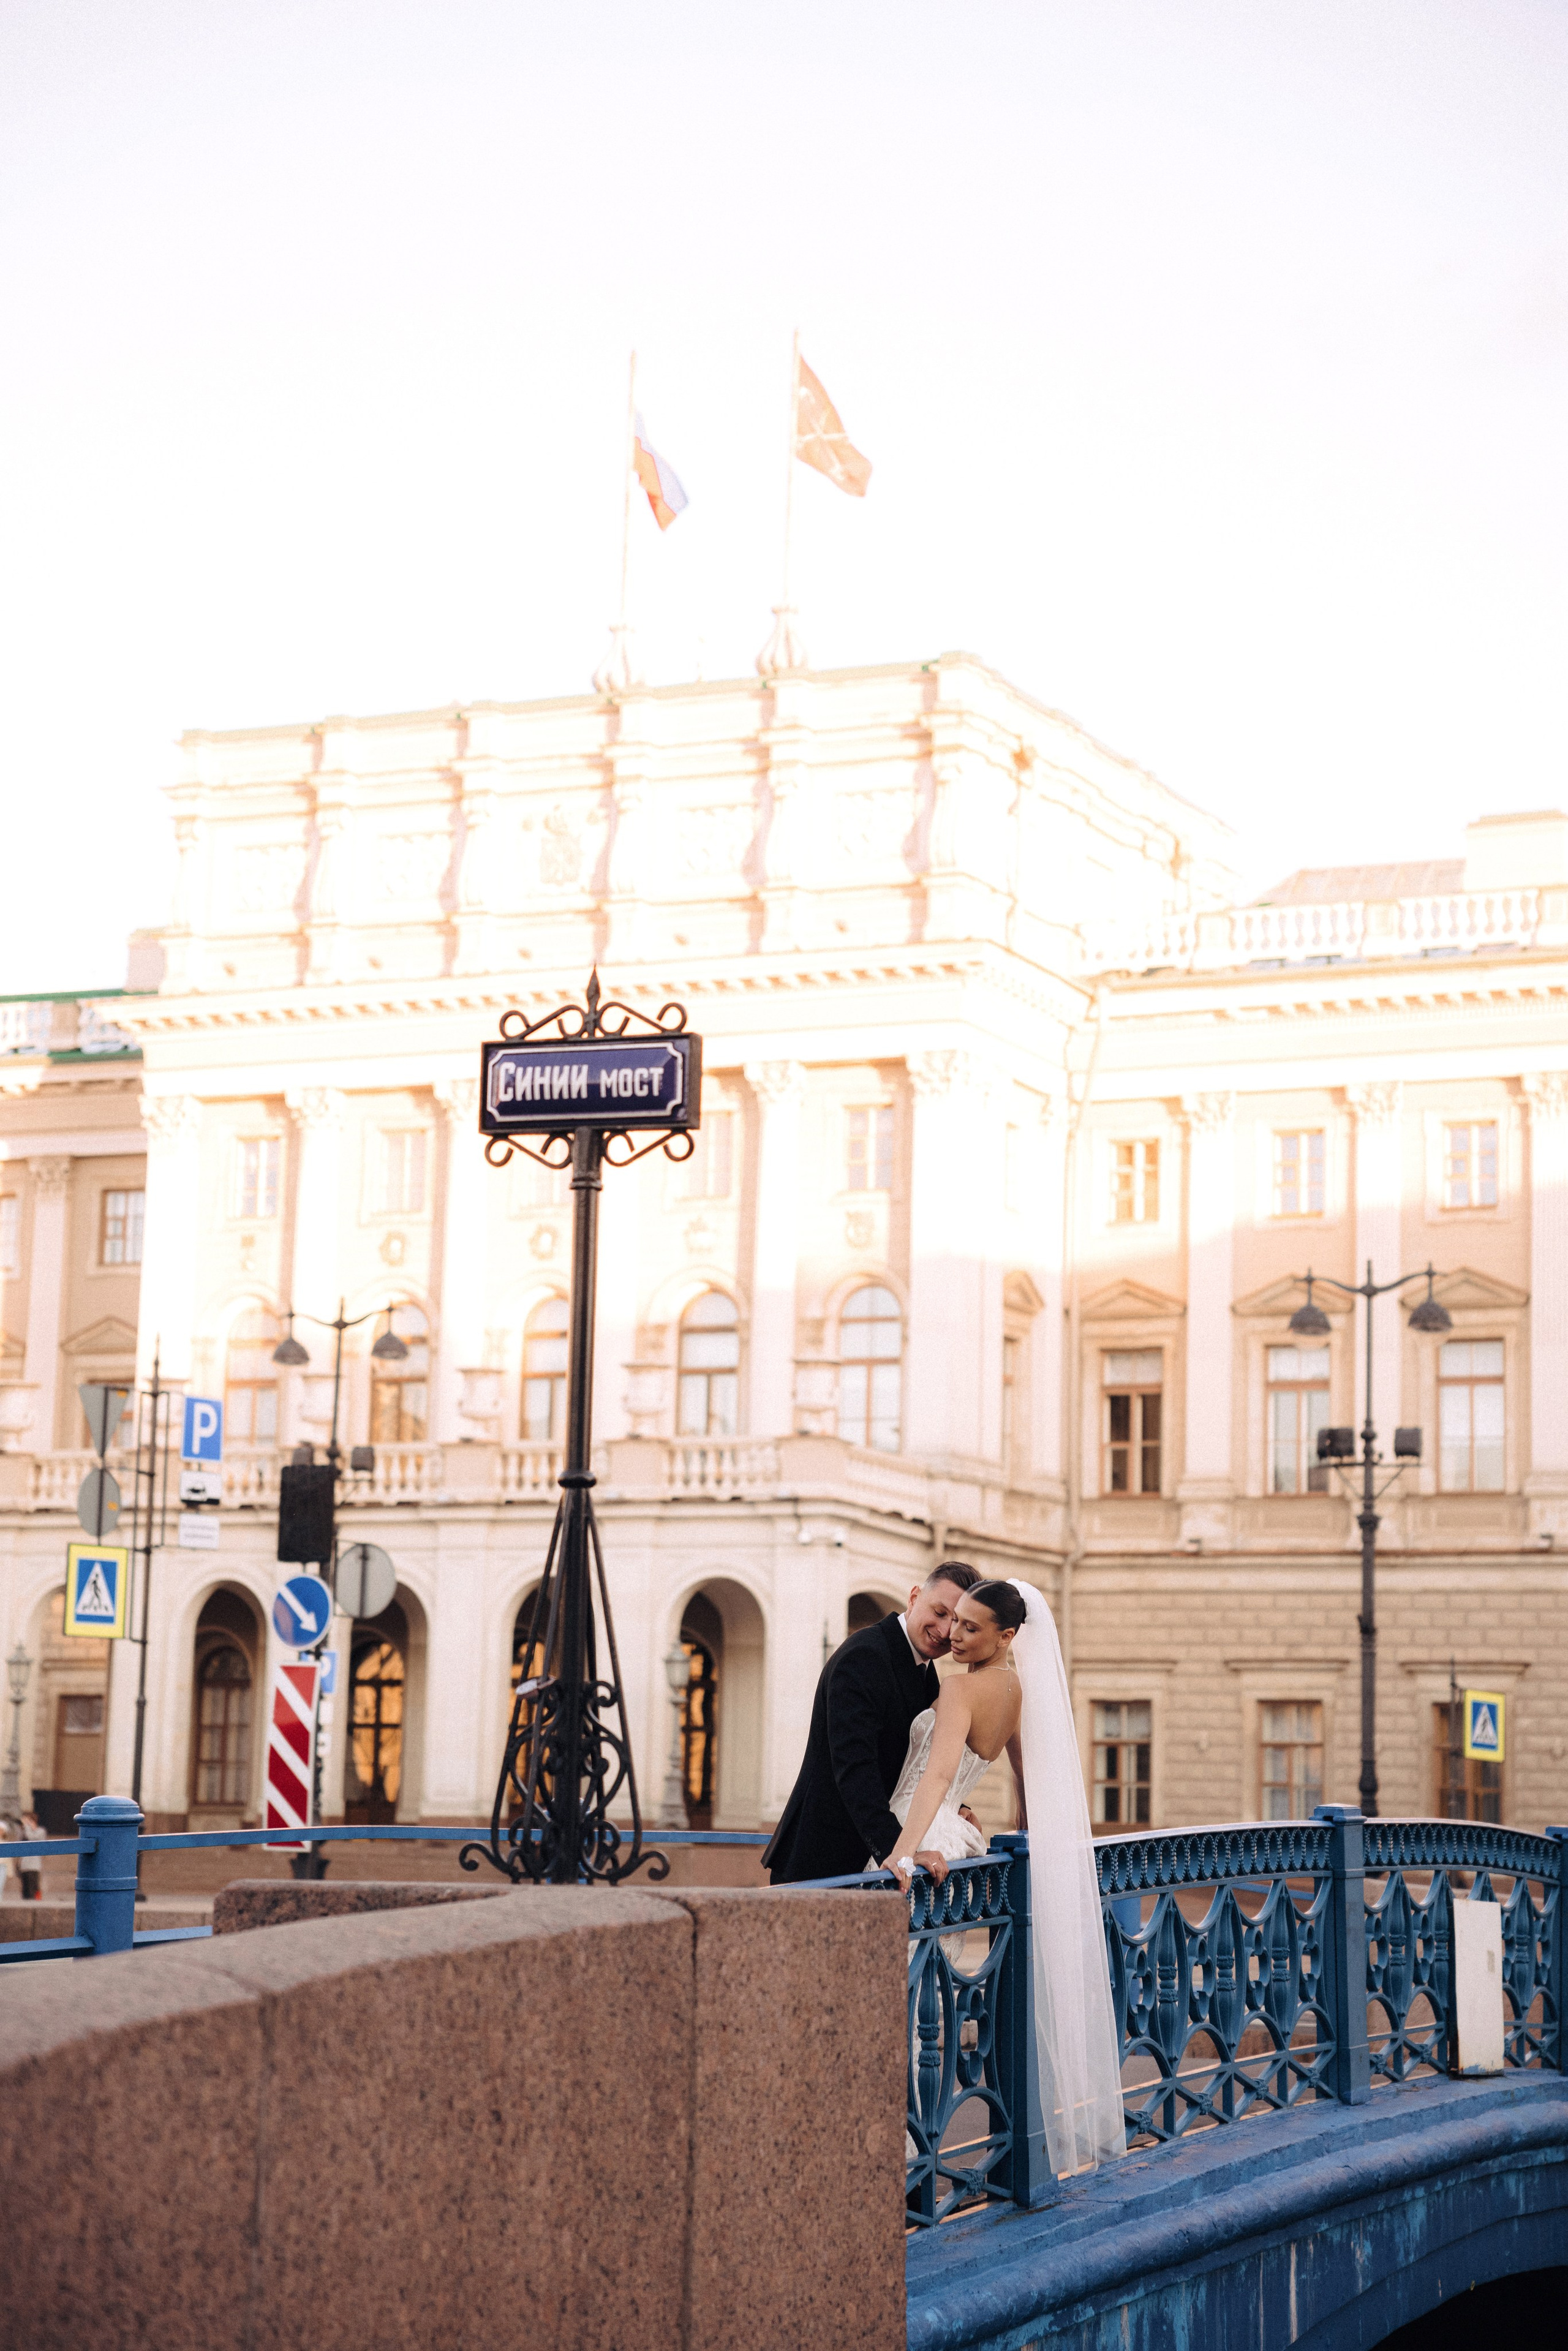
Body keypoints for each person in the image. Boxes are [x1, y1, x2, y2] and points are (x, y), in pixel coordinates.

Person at [882, 1577, 1126, 2179]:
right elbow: (1023, 1771)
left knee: (899, 1999)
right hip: (957, 1840)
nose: (954, 1634)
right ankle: (920, 2143)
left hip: (921, 1833)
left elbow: (936, 1777)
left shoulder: (961, 1688)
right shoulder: (1018, 1690)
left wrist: (903, 1853)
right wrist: (1023, 1833)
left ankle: (903, 2151)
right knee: (925, 1997)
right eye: (954, 1620)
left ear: (1007, 1635)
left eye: (971, 1626)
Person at [763, 1562, 981, 1884]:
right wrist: (900, 1851)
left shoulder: (924, 1669)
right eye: (939, 1611)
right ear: (914, 1597)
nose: (946, 1630)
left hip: (861, 1865)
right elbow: (856, 1769)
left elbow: (911, 1759)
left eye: (959, 1622)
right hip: (822, 1863)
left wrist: (955, 1807)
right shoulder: (863, 1656)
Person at [18, 1809, 44, 1902]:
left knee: (33, 1888)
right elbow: (19, 1841)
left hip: (34, 1865)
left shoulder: (40, 1831)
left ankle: (35, 1905)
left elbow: (31, 1838)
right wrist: (23, 1828)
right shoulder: (25, 1831)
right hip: (24, 1865)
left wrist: (27, 1827)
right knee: (25, 1889)